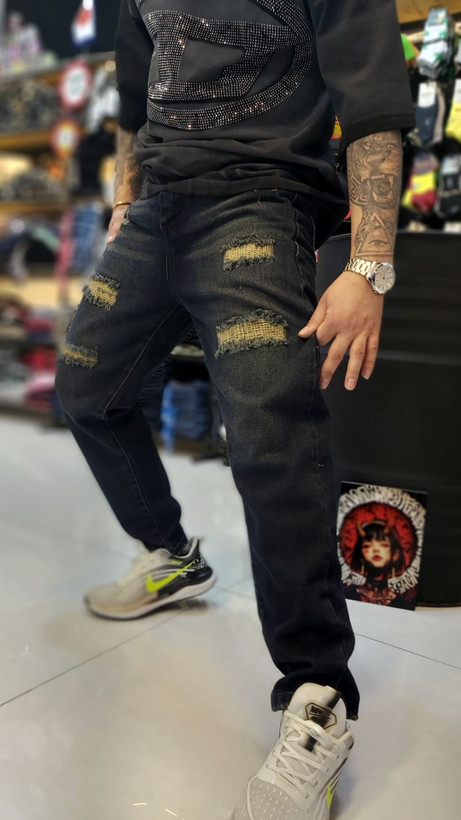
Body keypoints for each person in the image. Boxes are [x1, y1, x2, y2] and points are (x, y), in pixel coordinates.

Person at [55, 2, 414, 818]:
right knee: (86, 391)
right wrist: (124, 205)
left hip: (261, 201)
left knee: (267, 438)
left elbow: (373, 103)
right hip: (156, 212)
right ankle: (170, 554)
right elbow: (137, 102)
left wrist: (369, 265)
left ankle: (317, 693)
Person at [343, 518, 417, 609]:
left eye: (383, 545)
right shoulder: (348, 594)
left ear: (395, 555)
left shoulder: (403, 601)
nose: (376, 550)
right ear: (361, 556)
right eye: (367, 546)